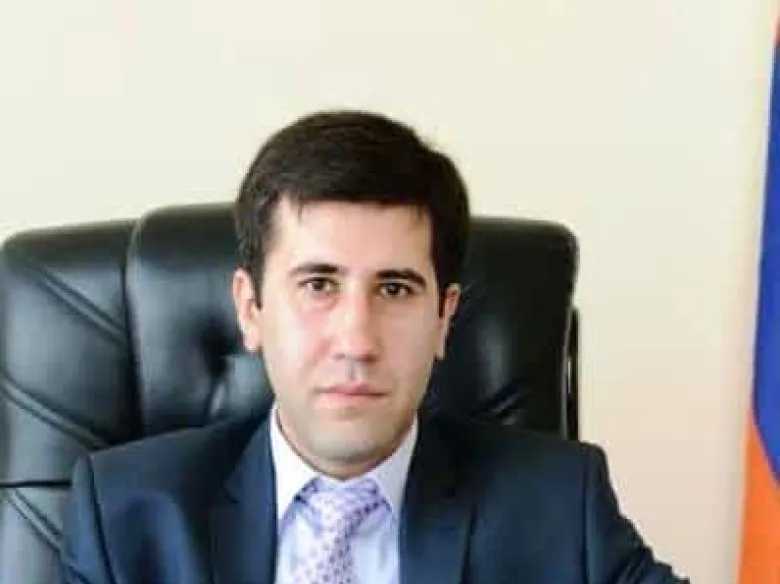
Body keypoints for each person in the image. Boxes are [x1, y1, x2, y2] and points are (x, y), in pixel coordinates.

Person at [60, 110, 689, 583]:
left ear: (444, 318)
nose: (357, 341)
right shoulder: (126, 515)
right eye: (318, 285)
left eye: (394, 289)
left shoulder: (559, 505)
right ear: (251, 309)